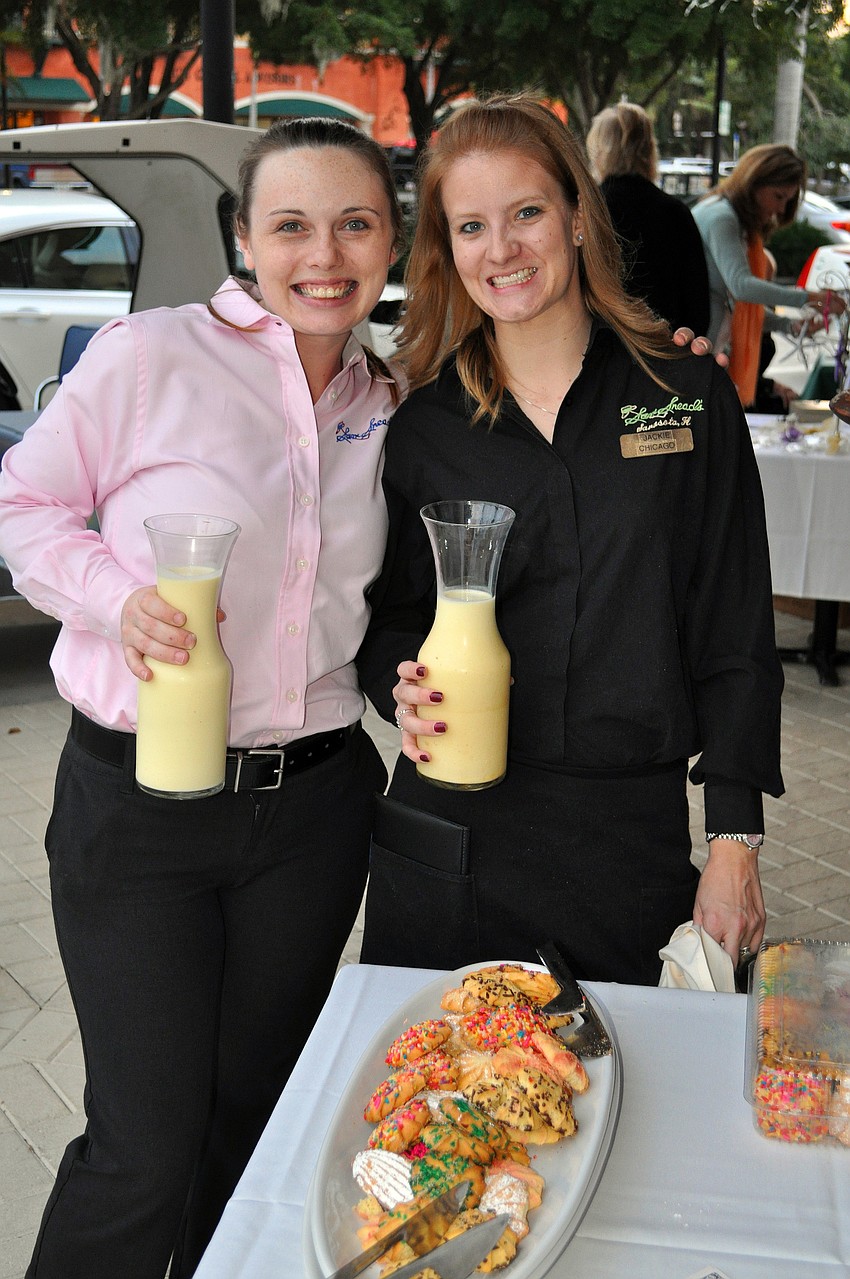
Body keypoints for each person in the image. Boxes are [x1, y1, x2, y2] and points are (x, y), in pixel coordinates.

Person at [0, 117, 403, 1279]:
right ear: (243, 237)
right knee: (145, 1145)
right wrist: (113, 597)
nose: (322, 254)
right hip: (140, 811)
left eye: (354, 224)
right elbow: (24, 507)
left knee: (254, 1121)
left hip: (315, 813)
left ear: (388, 240)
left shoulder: (396, 388)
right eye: (290, 225)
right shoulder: (152, 356)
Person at [355, 93, 785, 987]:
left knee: (631, 1109)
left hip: (625, 845)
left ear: (579, 217)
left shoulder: (686, 397)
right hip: (451, 837)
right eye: (470, 225)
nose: (501, 248)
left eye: (526, 213)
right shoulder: (423, 426)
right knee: (434, 1114)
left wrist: (735, 839)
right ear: (447, 249)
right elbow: (390, 619)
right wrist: (399, 686)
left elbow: (735, 631)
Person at [692, 144, 844, 408]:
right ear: (755, 183)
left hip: (706, 351)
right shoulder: (722, 217)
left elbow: (738, 306)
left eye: (787, 200)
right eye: (778, 196)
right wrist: (810, 298)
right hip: (696, 352)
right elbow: (741, 287)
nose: (780, 209)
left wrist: (790, 326)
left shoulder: (727, 216)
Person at [585, 101, 711, 335]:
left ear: (599, 150)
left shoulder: (589, 211)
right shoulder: (675, 212)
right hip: (666, 348)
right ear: (649, 148)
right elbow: (698, 304)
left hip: (601, 351)